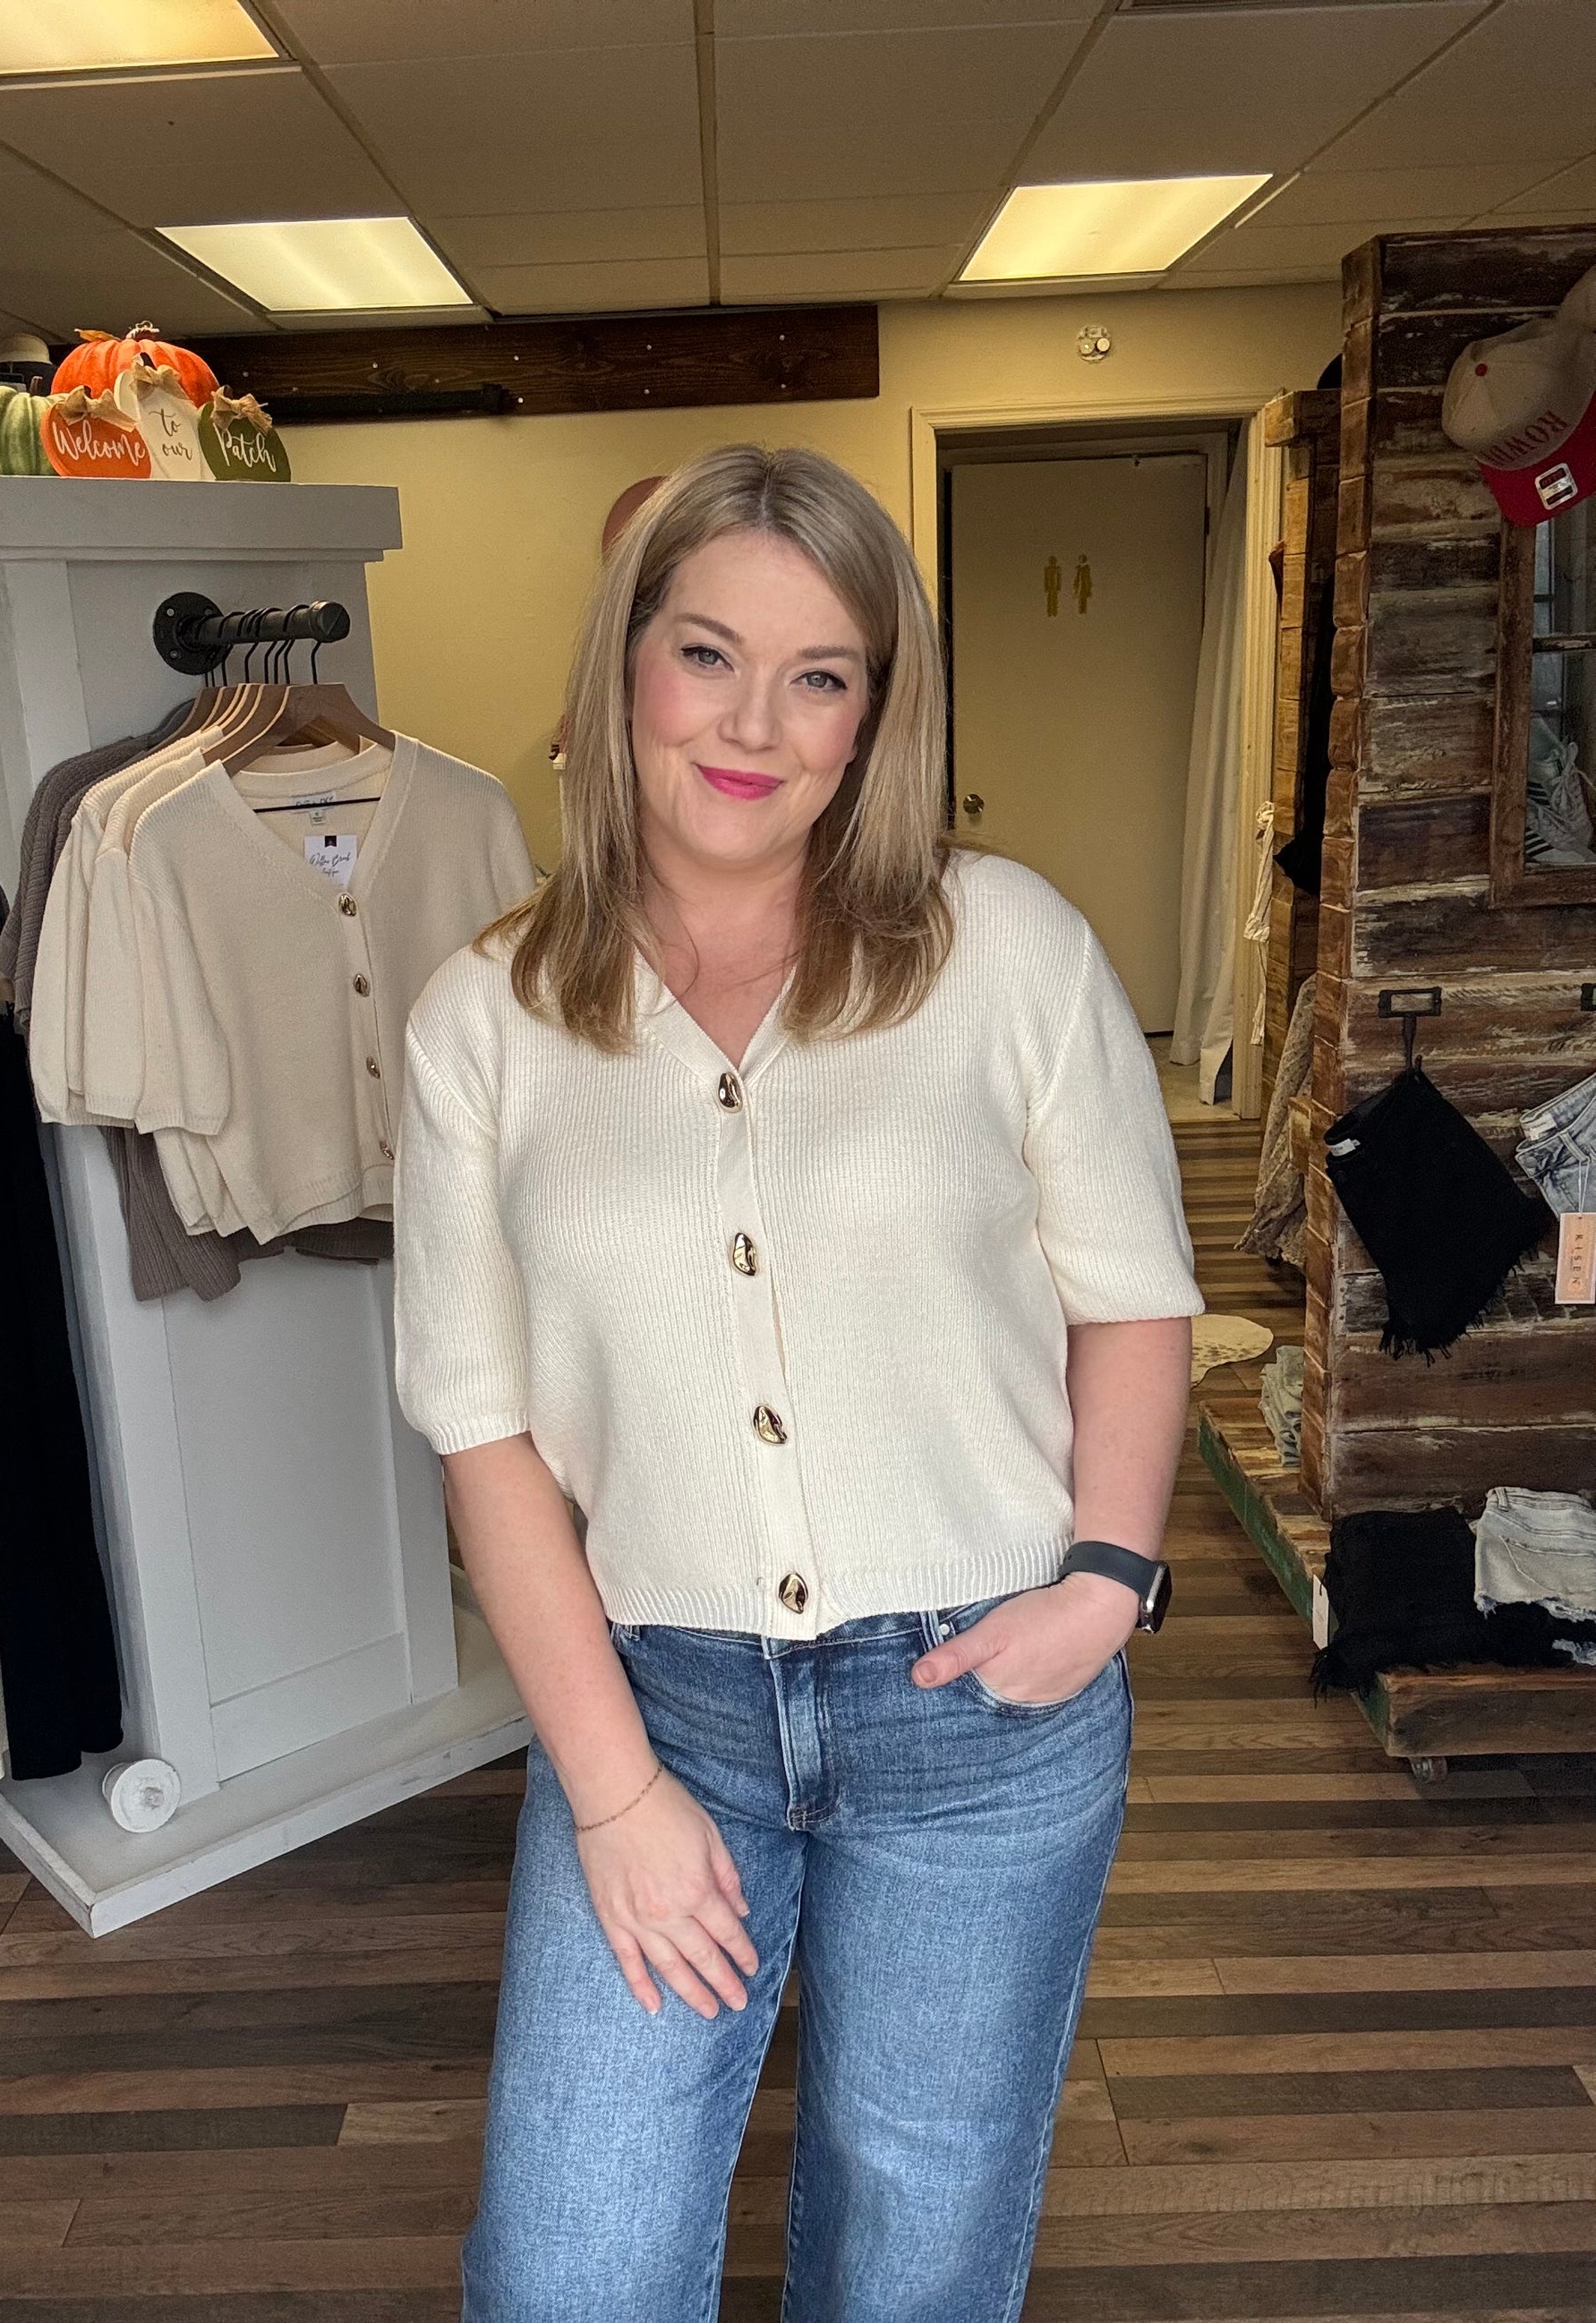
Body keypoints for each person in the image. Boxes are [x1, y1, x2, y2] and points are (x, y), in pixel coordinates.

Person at [395, 442, 1202, 2320]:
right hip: (653, 1708)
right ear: (623, 664)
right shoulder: (483, 1021)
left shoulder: (1006, 948)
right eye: (705, 654)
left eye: (818, 674)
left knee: (916, 2245)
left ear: (874, 713)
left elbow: (1133, 1297)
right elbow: (479, 1427)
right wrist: (613, 1797)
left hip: (978, 1712)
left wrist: (1108, 1575)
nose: (753, 723)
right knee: (569, 2268)